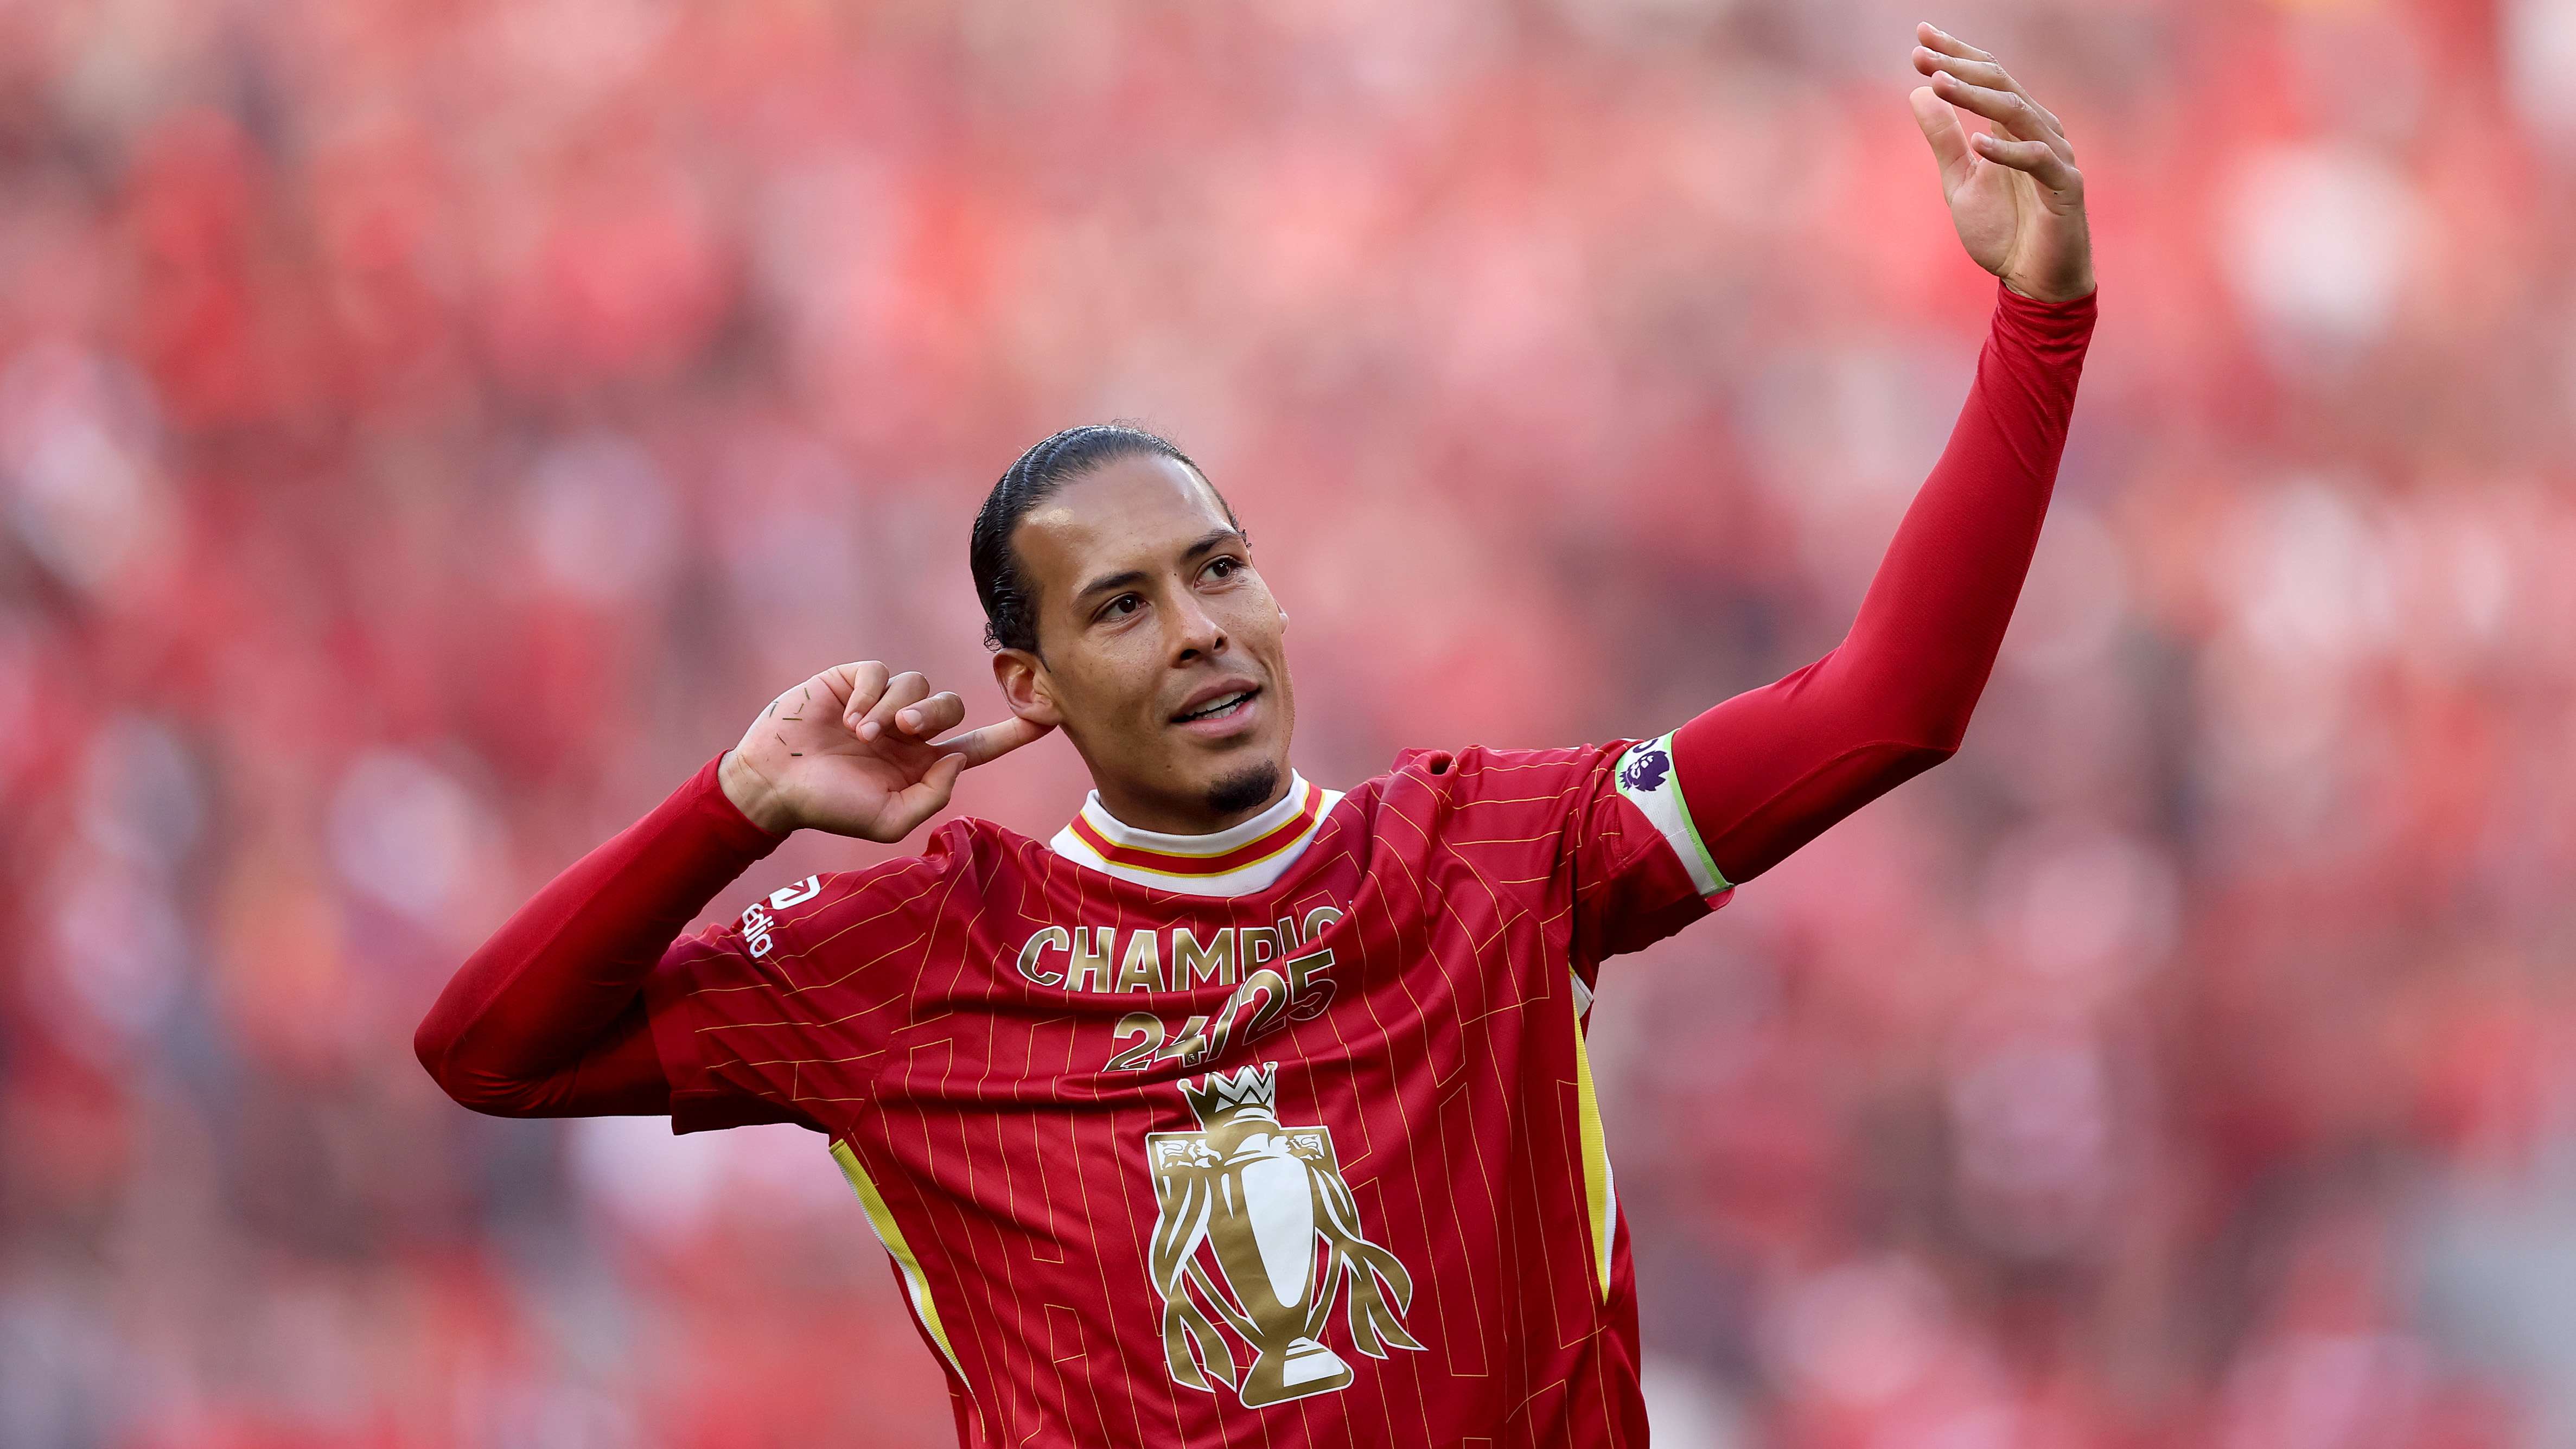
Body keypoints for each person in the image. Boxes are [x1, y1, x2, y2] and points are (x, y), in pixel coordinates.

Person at [414, 24, 2097, 1447]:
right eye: (1122, 605)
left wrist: (2039, 321)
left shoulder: (1491, 857)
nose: (1199, 627)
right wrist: (735, 807)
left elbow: (1889, 705)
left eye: (1220, 570)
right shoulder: (917, 959)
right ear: (1026, 688)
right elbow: (493, 1055)